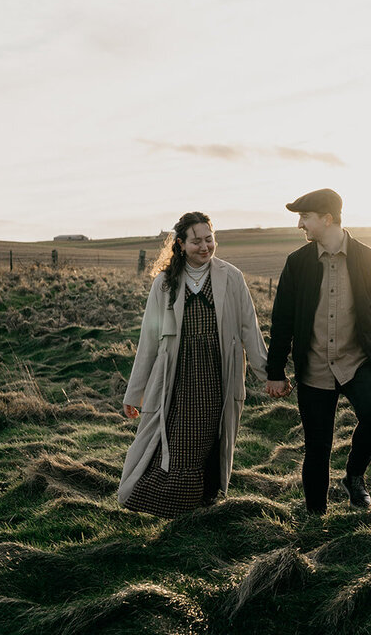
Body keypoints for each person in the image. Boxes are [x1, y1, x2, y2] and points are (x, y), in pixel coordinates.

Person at [118, 212, 269, 516]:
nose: (205, 246)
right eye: (196, 240)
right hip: (176, 374)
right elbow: (148, 340)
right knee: (180, 438)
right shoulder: (164, 283)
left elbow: (248, 329)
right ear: (182, 245)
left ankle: (203, 499)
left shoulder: (232, 276)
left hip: (218, 371)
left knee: (212, 435)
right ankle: (172, 503)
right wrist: (135, 394)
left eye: (209, 239)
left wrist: (269, 374)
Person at [266, 189, 371, 514]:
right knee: (318, 448)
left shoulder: (369, 258)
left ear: (327, 218)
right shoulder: (297, 263)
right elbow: (281, 319)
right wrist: (275, 372)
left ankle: (354, 476)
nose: (300, 224)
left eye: (305, 217)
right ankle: (315, 517)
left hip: (358, 363)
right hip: (314, 369)